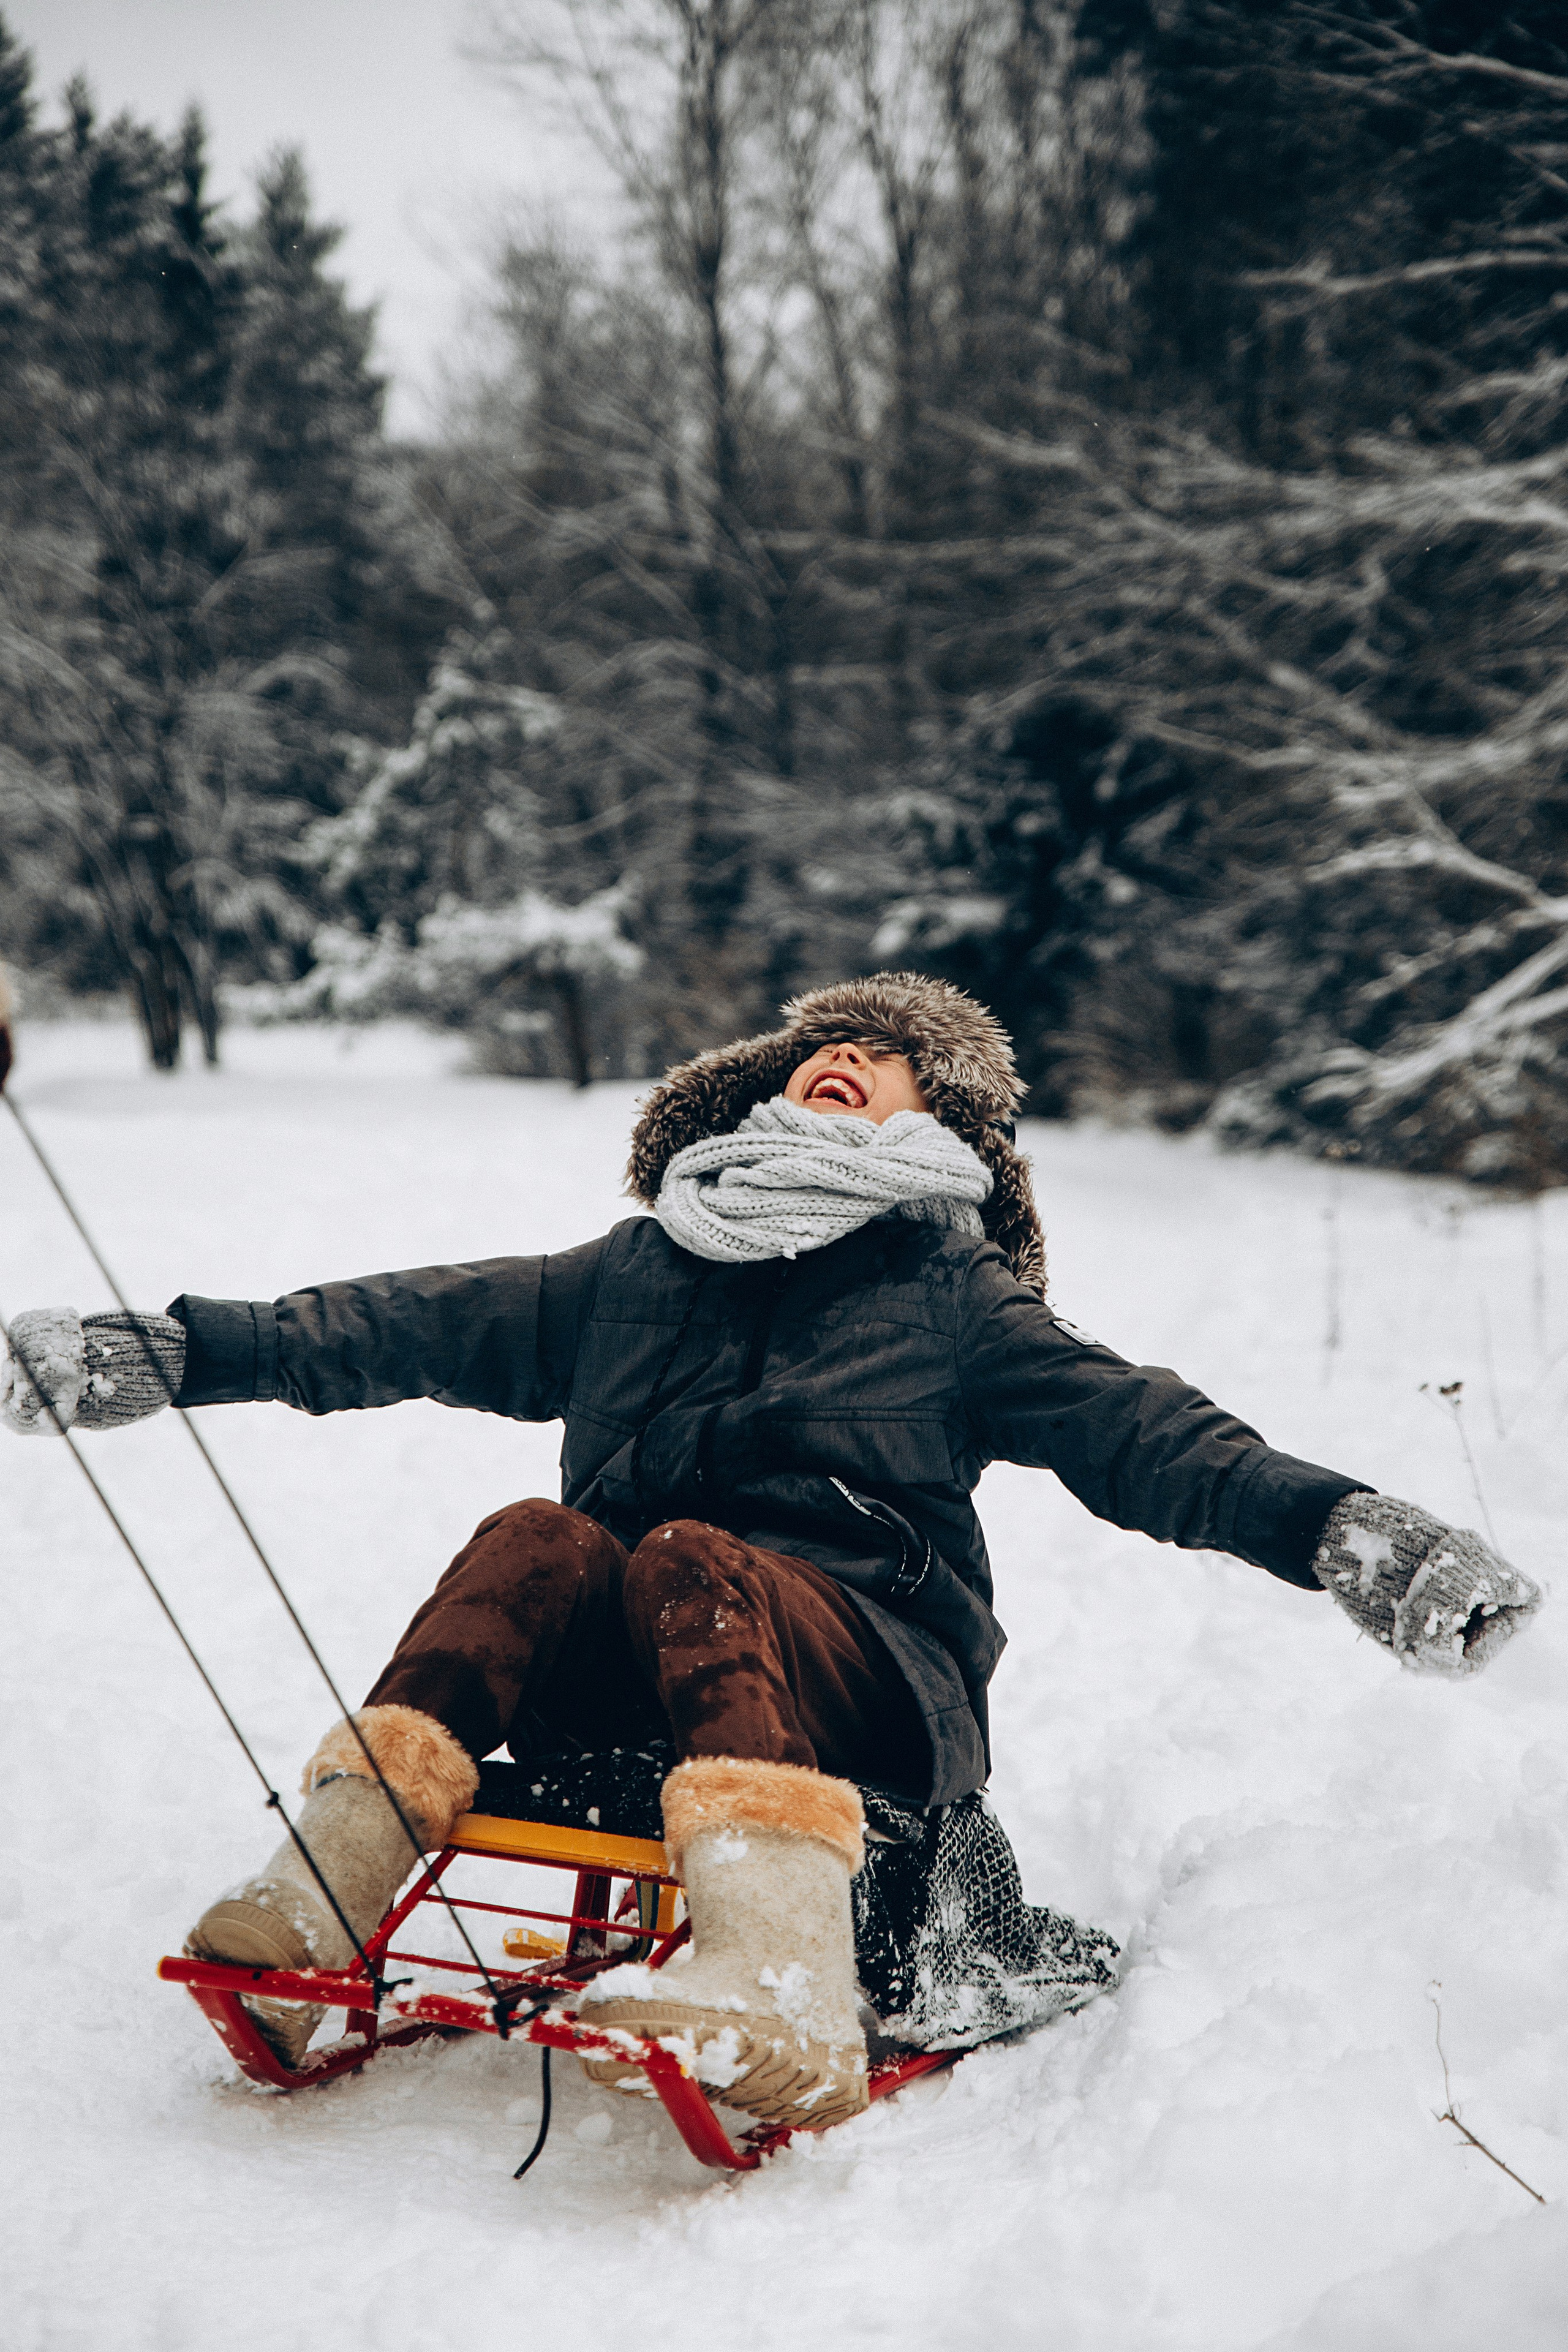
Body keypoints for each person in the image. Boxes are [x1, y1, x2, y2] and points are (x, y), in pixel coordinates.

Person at [1, 973, 1542, 2127]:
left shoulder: (954, 1301)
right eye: (824, 1042)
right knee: (538, 1536)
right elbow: (389, 1320)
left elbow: (1155, 1440)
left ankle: (783, 1978)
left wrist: (1349, 1532)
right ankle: (330, 1883)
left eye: (886, 1058)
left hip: (859, 1679)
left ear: (940, 1126)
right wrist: (169, 1354)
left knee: (686, 1551)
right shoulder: (635, 1271)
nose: (844, 1056)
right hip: (639, 1681)